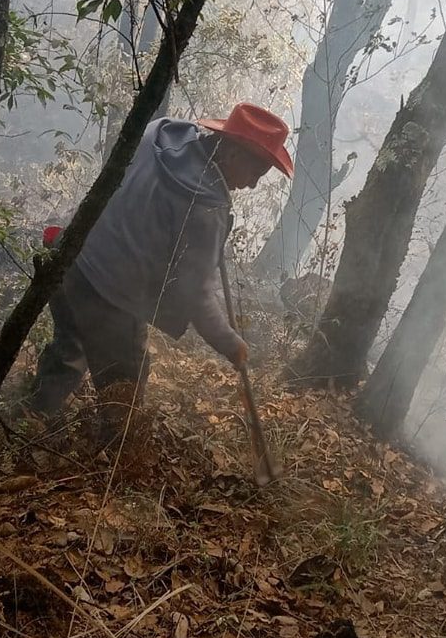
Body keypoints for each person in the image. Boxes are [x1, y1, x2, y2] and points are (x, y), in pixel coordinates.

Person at [30, 104, 293, 434]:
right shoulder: (206, 208)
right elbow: (197, 296)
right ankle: (114, 460)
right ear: (233, 153)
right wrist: (230, 343)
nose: (253, 185)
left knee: (70, 348)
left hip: (70, 255)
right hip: (110, 293)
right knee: (124, 383)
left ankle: (29, 423)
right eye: (256, 173)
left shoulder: (162, 131)